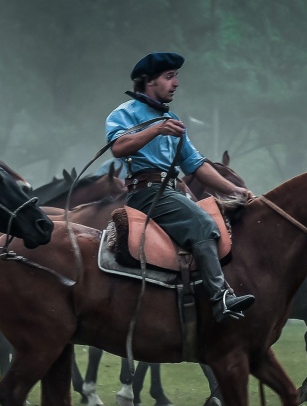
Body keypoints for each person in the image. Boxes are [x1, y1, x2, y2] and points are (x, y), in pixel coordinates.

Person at [106, 52, 255, 321]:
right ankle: (221, 298)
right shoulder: (124, 114)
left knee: (222, 222)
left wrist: (233, 190)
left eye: (176, 76)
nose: (176, 83)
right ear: (150, 81)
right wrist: (155, 130)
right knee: (203, 225)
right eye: (169, 76)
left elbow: (196, 164)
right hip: (147, 193)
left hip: (170, 192)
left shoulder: (172, 119)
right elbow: (118, 147)